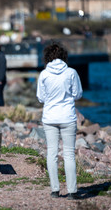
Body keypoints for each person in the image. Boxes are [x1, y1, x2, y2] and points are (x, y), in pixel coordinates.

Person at [36, 43, 83, 200]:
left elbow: (41, 98)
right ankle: (72, 191)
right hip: (67, 117)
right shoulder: (71, 72)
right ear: (64, 56)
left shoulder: (44, 74)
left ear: (47, 57)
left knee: (52, 153)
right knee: (69, 154)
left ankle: (55, 190)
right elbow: (78, 94)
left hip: (49, 117)